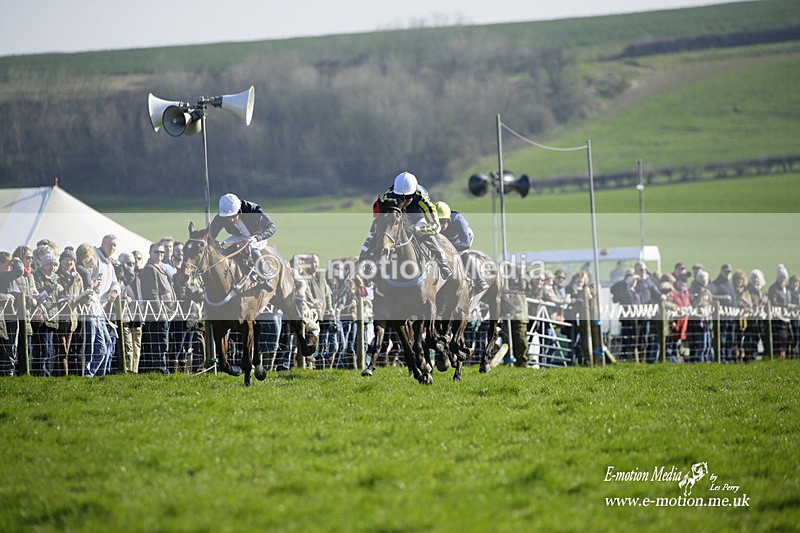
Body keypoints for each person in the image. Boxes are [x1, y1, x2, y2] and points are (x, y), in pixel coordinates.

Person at [366, 172, 452, 280]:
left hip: (418, 219)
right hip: (397, 218)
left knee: (426, 235)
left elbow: (436, 226)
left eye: (408, 197)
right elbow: (381, 220)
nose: (404, 200)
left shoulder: (421, 198)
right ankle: (369, 261)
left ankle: (442, 263)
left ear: (414, 193)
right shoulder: (389, 196)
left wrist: (420, 230)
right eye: (400, 197)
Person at [209, 193, 277, 291]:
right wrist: (215, 243)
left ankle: (266, 276)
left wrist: (257, 238)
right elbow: (211, 235)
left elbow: (272, 227)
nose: (231, 219)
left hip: (257, 235)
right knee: (221, 249)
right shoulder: (221, 216)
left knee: (252, 246)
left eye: (233, 216)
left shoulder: (252, 209)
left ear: (239, 210)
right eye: (228, 217)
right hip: (239, 236)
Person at [140, 243, 176, 374]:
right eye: (156, 252)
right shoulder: (150, 269)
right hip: (158, 314)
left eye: (161, 252)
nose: (160, 254)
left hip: (167, 311)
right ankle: (160, 369)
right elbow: (153, 293)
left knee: (164, 341)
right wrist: (159, 312)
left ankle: (162, 367)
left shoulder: (161, 267)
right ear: (150, 253)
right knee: (159, 342)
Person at [435, 201, 488, 292]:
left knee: (462, 254)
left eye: (442, 221)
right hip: (445, 239)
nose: (439, 225)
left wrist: (447, 248)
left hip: (460, 238)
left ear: (448, 219)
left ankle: (480, 280)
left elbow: (465, 244)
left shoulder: (458, 219)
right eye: (437, 221)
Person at [31, 251, 62, 376]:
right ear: (44, 265)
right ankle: (41, 374)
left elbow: (59, 290)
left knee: (49, 349)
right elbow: (36, 291)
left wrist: (62, 292)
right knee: (42, 348)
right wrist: (51, 288)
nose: (53, 268)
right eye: (50, 264)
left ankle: (46, 374)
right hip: (42, 315)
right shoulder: (37, 275)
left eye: (55, 265)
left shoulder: (54, 276)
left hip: (53, 316)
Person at [94, 235, 120, 374]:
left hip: (102, 311)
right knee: (100, 346)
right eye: (110, 244)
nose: (112, 248)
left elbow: (115, 282)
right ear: (102, 244)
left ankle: (101, 376)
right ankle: (92, 375)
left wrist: (114, 290)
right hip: (93, 309)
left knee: (107, 344)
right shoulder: (96, 259)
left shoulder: (109, 263)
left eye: (115, 245)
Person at [0, 252, 24, 376]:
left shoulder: (8, 277)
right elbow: (20, 271)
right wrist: (16, 260)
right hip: (5, 317)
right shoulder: (2, 275)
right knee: (7, 346)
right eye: (8, 264)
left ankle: (9, 371)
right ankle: (6, 372)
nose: (11, 266)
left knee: (12, 345)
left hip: (12, 315)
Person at [709, 263, 736, 362]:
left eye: (729, 272)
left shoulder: (730, 284)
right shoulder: (715, 284)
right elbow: (709, 297)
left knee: (730, 339)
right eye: (726, 271)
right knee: (722, 339)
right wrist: (722, 298)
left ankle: (728, 358)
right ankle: (722, 358)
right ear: (721, 271)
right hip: (721, 316)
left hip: (731, 316)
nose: (728, 273)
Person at [767, 264, 792, 358]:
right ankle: (777, 356)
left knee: (789, 337)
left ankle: (786, 355)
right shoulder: (773, 288)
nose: (783, 280)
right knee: (779, 338)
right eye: (781, 277)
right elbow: (773, 302)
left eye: (784, 278)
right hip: (777, 317)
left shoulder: (787, 289)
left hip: (787, 317)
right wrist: (786, 306)